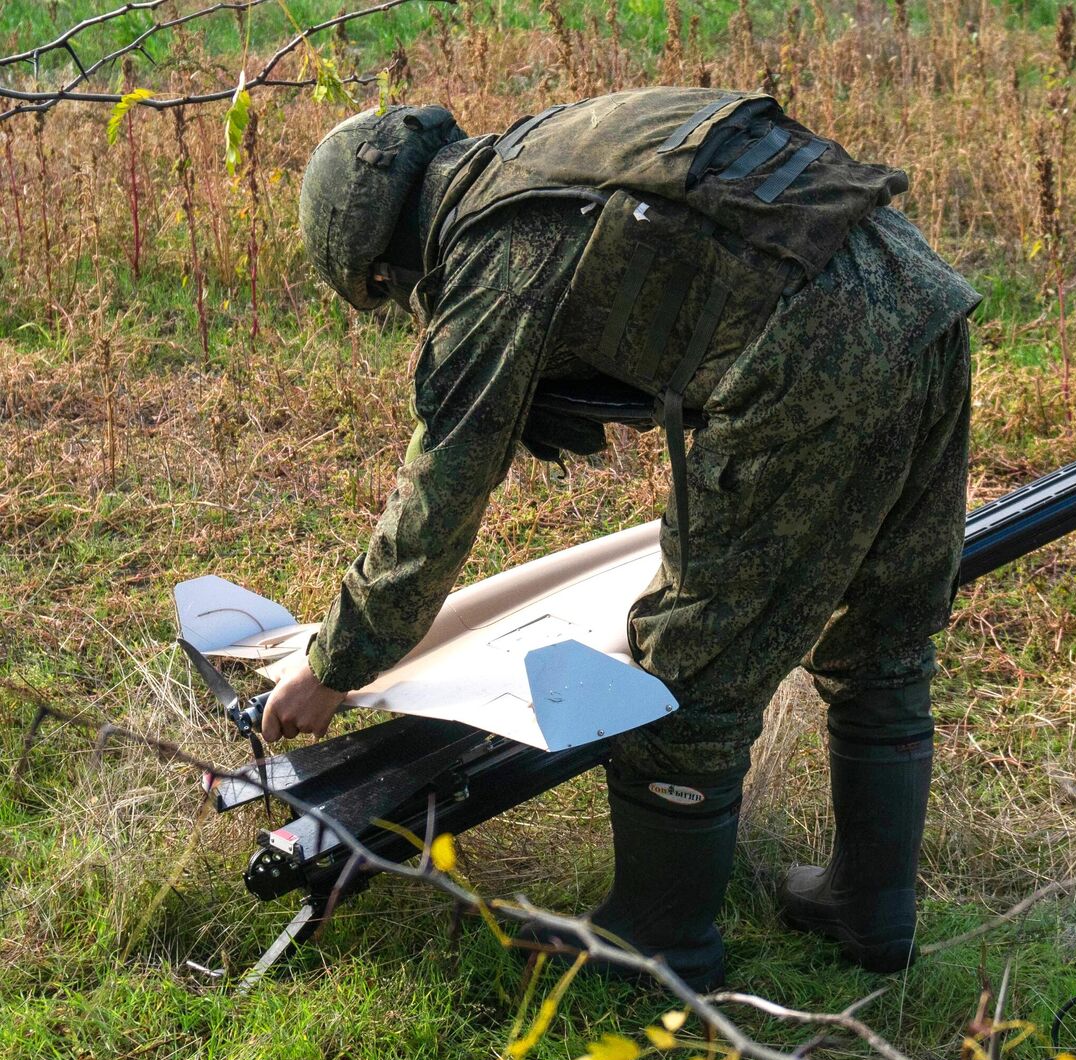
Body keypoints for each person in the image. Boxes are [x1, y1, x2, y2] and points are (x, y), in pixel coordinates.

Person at [261, 90, 979, 992]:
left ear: (383, 258)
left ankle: (659, 939)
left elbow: (437, 503)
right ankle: (872, 907)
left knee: (683, 669)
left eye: (388, 295)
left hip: (808, 349)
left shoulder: (494, 250)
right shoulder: (542, 155)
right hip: (919, 294)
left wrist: (334, 665)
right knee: (883, 624)